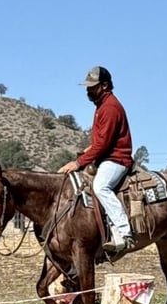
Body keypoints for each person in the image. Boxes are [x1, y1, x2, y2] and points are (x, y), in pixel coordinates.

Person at [58, 66, 135, 257]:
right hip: (106, 157)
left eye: (93, 86)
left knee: (101, 186)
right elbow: (100, 141)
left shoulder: (109, 108)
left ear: (105, 85)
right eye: (88, 86)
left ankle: (125, 233)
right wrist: (88, 151)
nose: (88, 90)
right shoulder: (102, 106)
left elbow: (103, 144)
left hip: (116, 159)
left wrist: (78, 162)